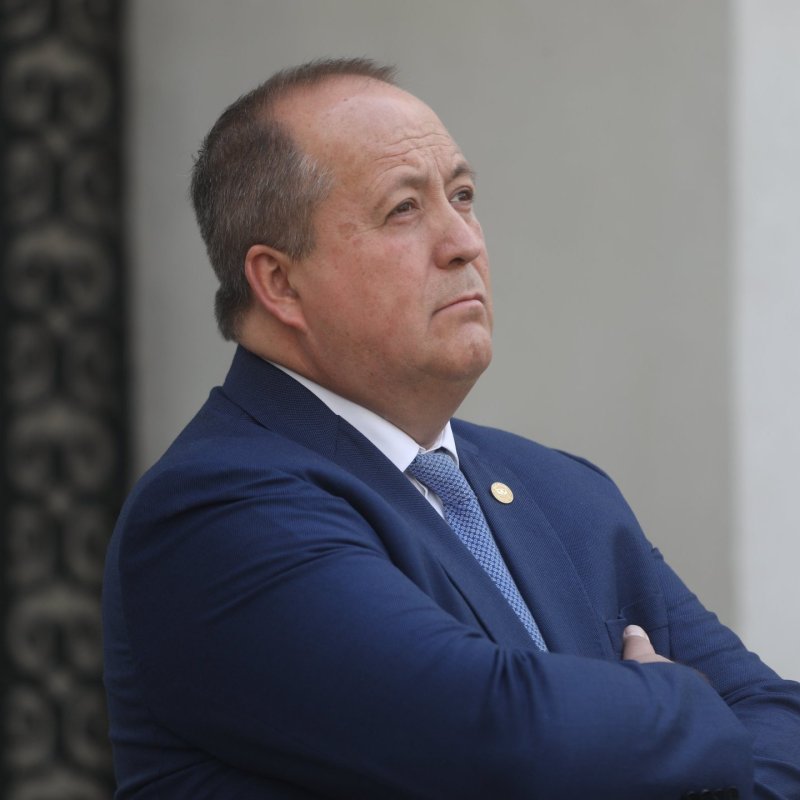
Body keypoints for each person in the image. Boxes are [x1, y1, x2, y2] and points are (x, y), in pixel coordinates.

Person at [103, 58, 800, 799]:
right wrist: (681, 700)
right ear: (280, 282)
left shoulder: (565, 493)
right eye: (404, 209)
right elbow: (502, 739)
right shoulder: (216, 510)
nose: (463, 240)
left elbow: (780, 720)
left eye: (462, 196)